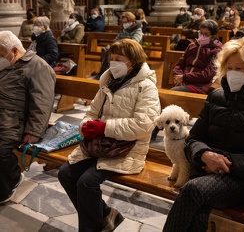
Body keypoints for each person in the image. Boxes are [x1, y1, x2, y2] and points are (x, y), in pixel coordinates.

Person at [162, 36, 244, 232]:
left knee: (193, 190)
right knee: (198, 208)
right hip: (205, 168)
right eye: (229, 68)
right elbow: (194, 138)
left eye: (240, 69)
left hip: (241, 180)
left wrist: (226, 161)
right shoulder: (216, 96)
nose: (233, 73)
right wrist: (203, 154)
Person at [58, 38, 161, 231]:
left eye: (119, 59)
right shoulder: (108, 82)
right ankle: (105, 214)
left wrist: (103, 127)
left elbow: (143, 126)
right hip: (100, 143)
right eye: (111, 58)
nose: (113, 63)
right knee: (65, 174)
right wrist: (86, 126)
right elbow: (91, 112)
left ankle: (92, 228)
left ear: (133, 61)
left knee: (87, 182)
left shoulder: (146, 87)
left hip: (127, 148)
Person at [0, 31, 56, 204]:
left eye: (1, 54)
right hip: (3, 118)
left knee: (0, 151)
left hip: (14, 125)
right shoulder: (9, 65)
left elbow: (43, 103)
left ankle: (11, 182)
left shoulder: (39, 67)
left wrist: (34, 131)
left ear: (15, 50)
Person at [172, 20, 223, 94]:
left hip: (199, 86)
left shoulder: (216, 51)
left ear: (213, 37)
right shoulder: (191, 46)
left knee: (174, 93)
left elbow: (207, 75)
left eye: (206, 34)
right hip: (182, 82)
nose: (202, 36)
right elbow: (179, 64)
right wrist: (178, 76)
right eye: (201, 33)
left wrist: (184, 77)